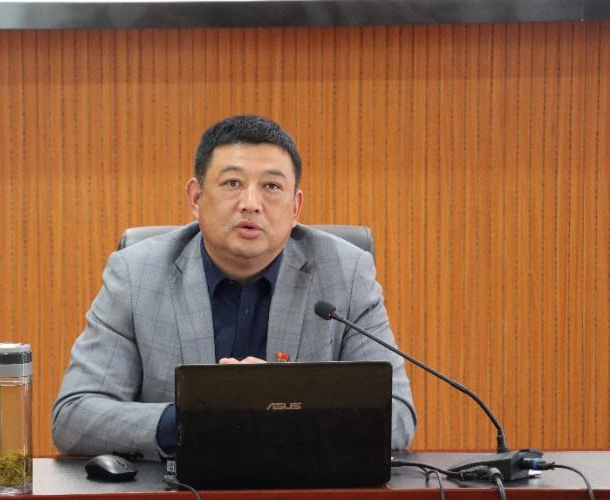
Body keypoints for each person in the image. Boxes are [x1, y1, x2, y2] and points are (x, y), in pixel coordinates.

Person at [52, 115, 416, 460]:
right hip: (180, 490)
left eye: (271, 186)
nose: (251, 204)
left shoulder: (345, 274)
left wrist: (282, 407)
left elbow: (397, 417)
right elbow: (74, 417)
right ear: (196, 199)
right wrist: (193, 420)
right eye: (232, 183)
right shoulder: (137, 275)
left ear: (295, 207)